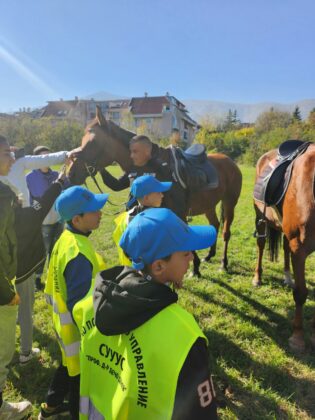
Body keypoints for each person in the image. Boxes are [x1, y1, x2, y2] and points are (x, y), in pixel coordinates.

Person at [73, 208, 218, 419]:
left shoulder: (88, 304)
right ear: (158, 266)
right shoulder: (185, 335)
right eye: (186, 253)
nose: (191, 258)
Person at [40, 186, 109, 420]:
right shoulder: (78, 253)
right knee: (79, 380)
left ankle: (50, 407)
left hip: (63, 327)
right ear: (77, 219)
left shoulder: (66, 237)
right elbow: (81, 307)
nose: (100, 212)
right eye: (94, 210)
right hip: (78, 334)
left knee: (68, 366)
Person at [100, 134, 187, 219]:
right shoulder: (132, 168)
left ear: (147, 151)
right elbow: (117, 185)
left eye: (135, 152)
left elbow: (173, 196)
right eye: (131, 151)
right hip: (134, 217)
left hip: (154, 220)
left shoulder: (161, 168)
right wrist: (101, 170)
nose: (131, 155)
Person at [26, 145, 65, 291]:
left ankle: (53, 277)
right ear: (36, 160)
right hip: (43, 222)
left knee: (56, 251)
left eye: (49, 156)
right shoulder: (30, 177)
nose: (47, 160)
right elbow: (42, 197)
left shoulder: (57, 174)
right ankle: (37, 279)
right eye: (44, 157)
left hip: (59, 219)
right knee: (43, 251)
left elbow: (64, 191)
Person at [113, 174, 172, 265]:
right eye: (158, 192)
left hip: (131, 267)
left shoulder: (125, 218)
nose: (162, 195)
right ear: (146, 198)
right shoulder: (156, 220)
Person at [0, 145, 70, 207]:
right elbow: (31, 201)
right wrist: (37, 210)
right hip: (38, 218)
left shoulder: (56, 174)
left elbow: (67, 189)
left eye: (48, 155)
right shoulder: (29, 178)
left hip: (57, 218)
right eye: (43, 156)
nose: (47, 159)